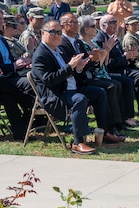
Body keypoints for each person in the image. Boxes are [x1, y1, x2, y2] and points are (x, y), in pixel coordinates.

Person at [31, 20, 119, 155]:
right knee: (80, 99)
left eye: (59, 32)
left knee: (99, 93)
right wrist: (70, 67)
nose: (56, 35)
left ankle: (104, 131)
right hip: (56, 94)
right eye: (53, 32)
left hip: (70, 88)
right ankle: (78, 142)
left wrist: (78, 67)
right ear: (43, 33)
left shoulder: (58, 50)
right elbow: (50, 80)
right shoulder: (41, 55)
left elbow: (69, 71)